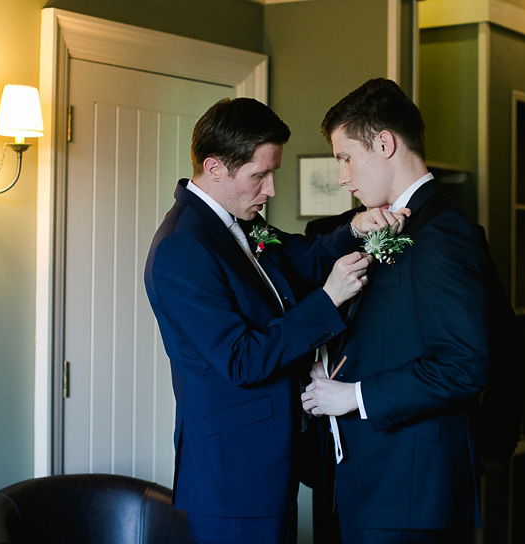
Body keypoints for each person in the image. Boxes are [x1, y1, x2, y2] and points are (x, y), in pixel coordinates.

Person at [143, 96, 406, 544]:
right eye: (259, 175)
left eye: (273, 173)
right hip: (233, 475)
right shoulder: (182, 248)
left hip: (273, 461)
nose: (271, 190)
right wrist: (329, 300)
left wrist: (357, 228)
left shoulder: (238, 224)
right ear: (214, 168)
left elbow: (301, 257)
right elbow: (242, 360)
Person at [301, 78, 515, 543]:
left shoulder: (443, 232)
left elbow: (463, 364)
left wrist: (354, 396)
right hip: (370, 481)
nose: (342, 176)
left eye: (344, 157)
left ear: (384, 143)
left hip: (411, 491)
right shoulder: (386, 222)